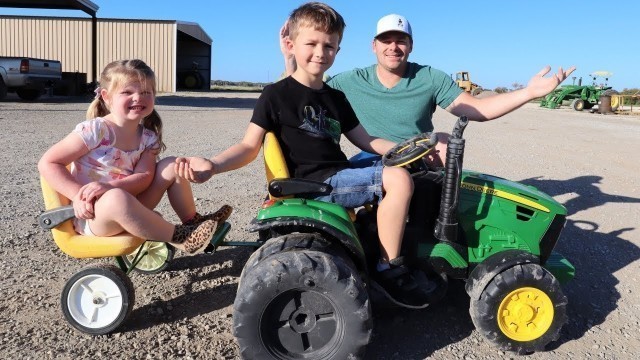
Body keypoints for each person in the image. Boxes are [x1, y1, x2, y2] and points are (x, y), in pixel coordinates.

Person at [176, 2, 433, 307]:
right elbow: (248, 147)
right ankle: (388, 267)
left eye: (329, 46)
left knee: (409, 172)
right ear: (291, 45)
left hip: (337, 175)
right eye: (311, 43)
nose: (320, 53)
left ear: (338, 49)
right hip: (316, 183)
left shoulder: (336, 97)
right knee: (399, 181)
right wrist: (213, 164)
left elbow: (364, 139)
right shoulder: (276, 94)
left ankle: (381, 241)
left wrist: (403, 149)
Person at [281, 13, 576, 167]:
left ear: (410, 45)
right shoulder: (350, 80)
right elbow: (300, 89)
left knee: (447, 144)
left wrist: (528, 92)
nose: (393, 47)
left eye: (401, 40)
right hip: (371, 158)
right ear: (374, 46)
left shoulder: (430, 78)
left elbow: (479, 109)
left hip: (419, 159)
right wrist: (290, 59)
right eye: (386, 40)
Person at [38, 59, 231, 255]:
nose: (138, 98)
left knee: (172, 164)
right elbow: (49, 163)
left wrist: (111, 186)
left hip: (133, 204)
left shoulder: (148, 137)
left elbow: (144, 177)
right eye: (127, 92)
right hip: (95, 216)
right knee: (115, 198)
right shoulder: (95, 131)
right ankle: (181, 237)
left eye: (146, 92)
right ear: (107, 97)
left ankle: (192, 222)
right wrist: (78, 196)